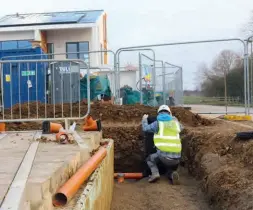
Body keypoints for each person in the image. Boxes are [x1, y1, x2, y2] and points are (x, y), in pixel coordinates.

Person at [142, 105, 183, 184]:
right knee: (169, 168)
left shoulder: (158, 123)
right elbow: (181, 128)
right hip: (177, 158)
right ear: (169, 113)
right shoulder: (176, 123)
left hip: (163, 156)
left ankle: (155, 174)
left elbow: (145, 128)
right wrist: (174, 119)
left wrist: (144, 119)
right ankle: (171, 175)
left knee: (150, 159)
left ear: (158, 114)